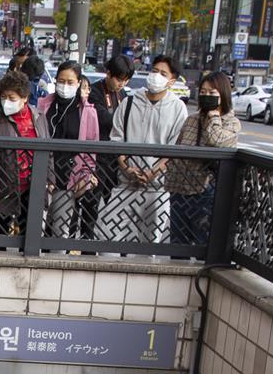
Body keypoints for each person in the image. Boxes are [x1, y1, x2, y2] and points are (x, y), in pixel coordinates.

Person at [99, 65, 184, 245]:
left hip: (157, 188)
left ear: (172, 81)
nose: (156, 76)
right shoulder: (129, 102)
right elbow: (117, 139)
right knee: (108, 240)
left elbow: (175, 147)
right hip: (125, 184)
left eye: (163, 73)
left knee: (148, 245)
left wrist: (153, 172)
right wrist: (127, 168)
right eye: (154, 71)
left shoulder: (178, 108)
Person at [168, 68, 237, 246]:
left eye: (212, 93)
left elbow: (217, 140)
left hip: (206, 191)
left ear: (223, 94)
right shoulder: (192, 119)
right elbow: (178, 148)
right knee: (178, 245)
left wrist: (214, 116)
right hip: (180, 190)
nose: (207, 96)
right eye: (203, 92)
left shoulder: (231, 122)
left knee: (203, 244)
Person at [38, 64, 99, 238]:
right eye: (61, 81)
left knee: (61, 230)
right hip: (42, 174)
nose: (65, 86)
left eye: (70, 82)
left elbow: (91, 147)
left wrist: (86, 174)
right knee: (36, 227)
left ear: (78, 83)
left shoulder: (88, 112)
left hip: (70, 177)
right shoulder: (44, 106)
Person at [0, 71, 37, 236]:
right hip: (3, 185)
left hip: (32, 184)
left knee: (29, 237)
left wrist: (49, 180)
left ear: (25, 97)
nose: (7, 102)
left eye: (12, 99)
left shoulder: (38, 118)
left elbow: (48, 153)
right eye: (4, 97)